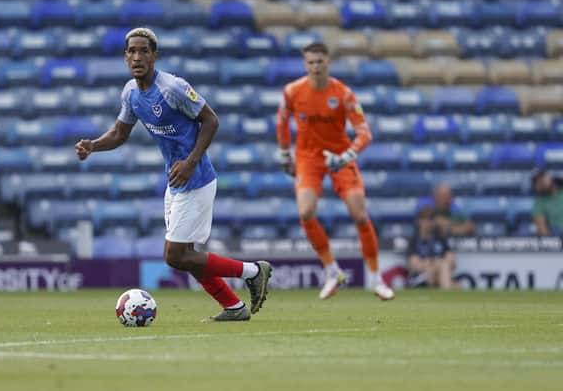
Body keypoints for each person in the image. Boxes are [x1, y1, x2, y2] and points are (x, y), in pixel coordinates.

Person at [75, 27, 271, 321]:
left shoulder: (173, 88)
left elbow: (211, 121)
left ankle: (253, 271)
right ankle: (234, 307)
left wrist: (191, 161)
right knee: (186, 256)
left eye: (144, 51)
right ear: (125, 56)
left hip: (196, 177)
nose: (137, 57)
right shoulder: (131, 92)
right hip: (176, 180)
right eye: (132, 51)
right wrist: (93, 145)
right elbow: (119, 133)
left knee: (175, 255)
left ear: (155, 55)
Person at [276, 41, 394, 301]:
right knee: (305, 212)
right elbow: (282, 122)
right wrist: (285, 154)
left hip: (340, 156)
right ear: (305, 64)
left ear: (328, 62)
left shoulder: (343, 94)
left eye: (320, 61)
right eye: (310, 62)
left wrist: (348, 156)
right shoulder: (292, 91)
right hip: (308, 158)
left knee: (360, 214)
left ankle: (376, 278)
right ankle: (332, 271)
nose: (315, 67)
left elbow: (364, 132)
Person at [408, 206, 458, 289]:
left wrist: (435, 263)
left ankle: (446, 288)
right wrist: (429, 264)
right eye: (425, 220)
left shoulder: (439, 238)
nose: (428, 223)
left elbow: (452, 260)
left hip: (438, 275)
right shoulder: (415, 240)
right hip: (422, 277)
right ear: (419, 221)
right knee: (443, 267)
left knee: (445, 266)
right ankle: (447, 290)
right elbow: (414, 264)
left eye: (431, 220)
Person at [532, 169, 563, 236]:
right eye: (538, 182)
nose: (541, 183)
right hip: (558, 236)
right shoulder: (540, 203)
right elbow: (542, 229)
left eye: (543, 178)